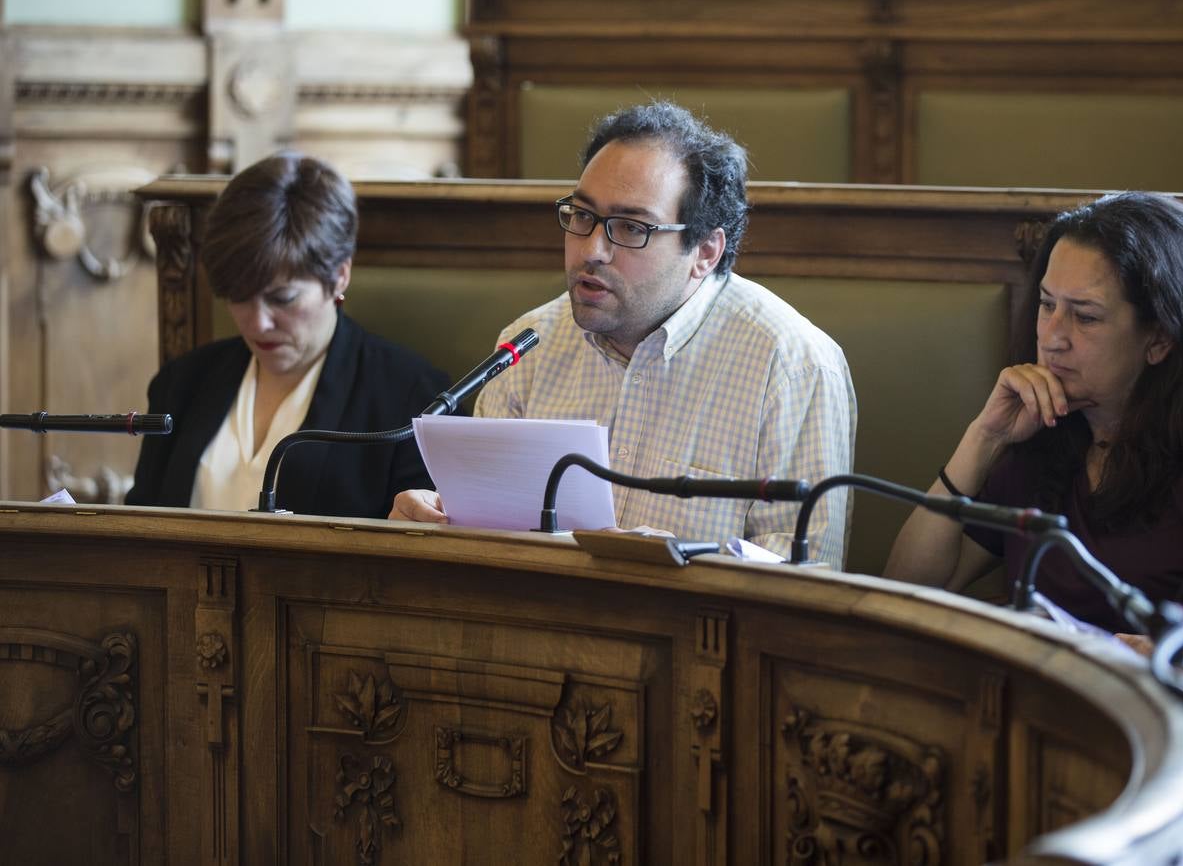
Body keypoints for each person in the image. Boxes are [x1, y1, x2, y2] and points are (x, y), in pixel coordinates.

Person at [390, 102, 857, 566]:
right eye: (582, 215)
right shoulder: (526, 345)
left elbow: (808, 576)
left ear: (704, 252)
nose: (592, 250)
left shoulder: (793, 367)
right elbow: (485, 549)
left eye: (631, 228)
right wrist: (438, 526)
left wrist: (680, 566)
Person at [885, 191, 1183, 659]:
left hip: (1156, 697)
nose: (1053, 338)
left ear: (1159, 339)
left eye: (1085, 317)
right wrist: (984, 437)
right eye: (1046, 305)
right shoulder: (1044, 428)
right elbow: (907, 589)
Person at [126, 152, 449, 518]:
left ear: (339, 276)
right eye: (239, 297)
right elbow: (142, 525)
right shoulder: (181, 382)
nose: (258, 323)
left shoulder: (413, 399)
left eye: (282, 298)